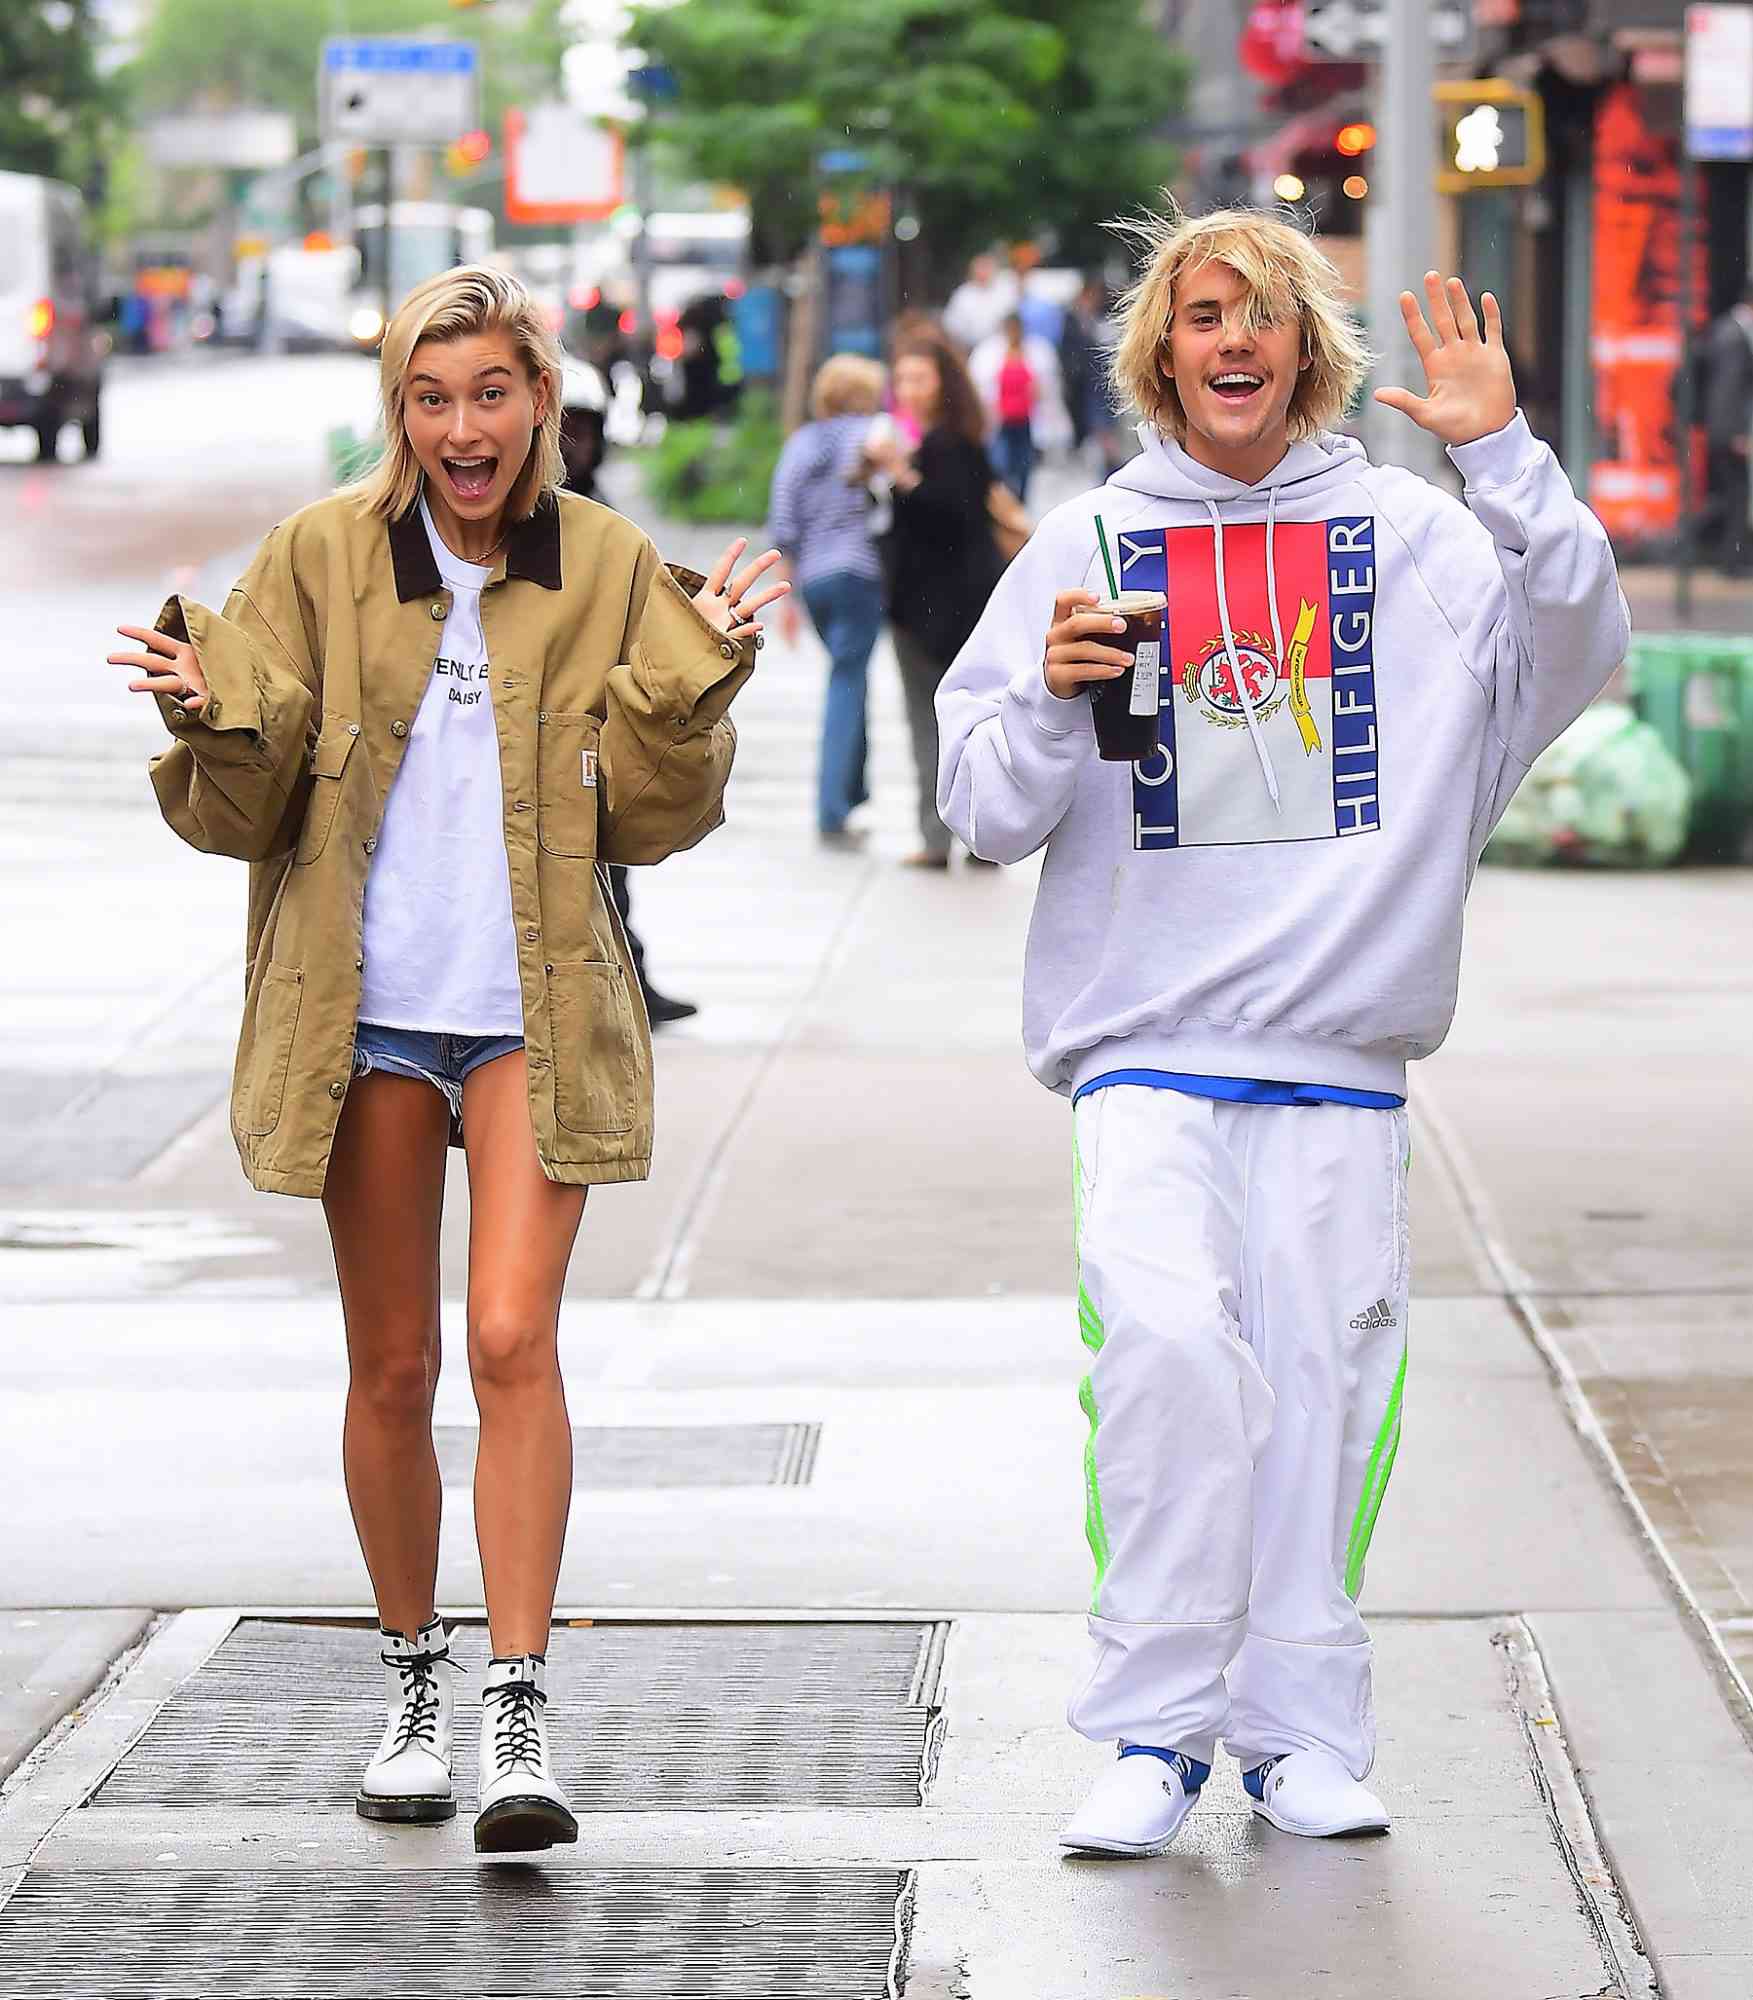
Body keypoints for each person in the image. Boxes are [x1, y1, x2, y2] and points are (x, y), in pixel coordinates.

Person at [937, 205, 1628, 1856]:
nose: (1226, 338)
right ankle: (1151, 1732)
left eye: (1255, 314)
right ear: (1160, 354)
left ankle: (1298, 1730)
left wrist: (1507, 457)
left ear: (1304, 349)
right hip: (1143, 1043)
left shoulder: (1415, 542)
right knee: (1168, 1353)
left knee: (1318, 1381)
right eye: (1196, 315)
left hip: (1336, 1054)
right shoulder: (1085, 545)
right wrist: (1042, 694)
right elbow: (978, 804)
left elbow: (1577, 635)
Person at [110, 266, 786, 1853]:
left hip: (533, 1006)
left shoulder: (609, 560)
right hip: (366, 1016)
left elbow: (651, 818)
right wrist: (213, 713)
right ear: (399, 412)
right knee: (397, 1364)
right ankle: (411, 1681)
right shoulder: (323, 555)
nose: (462, 427)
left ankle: (517, 1705)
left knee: (508, 1341)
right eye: (433, 397)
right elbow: (245, 807)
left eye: (491, 393)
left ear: (540, 401)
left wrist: (688, 691)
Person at [558, 356, 698, 1025]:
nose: (574, 443)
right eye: (564, 428)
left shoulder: (605, 522)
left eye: (584, 428)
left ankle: (627, 975)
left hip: (595, 718)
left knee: (611, 866)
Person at [867, 334, 1003, 870]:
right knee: (941, 724)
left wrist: (901, 475)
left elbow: (955, 516)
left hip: (944, 610)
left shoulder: (950, 445)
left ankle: (951, 834)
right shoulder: (926, 442)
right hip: (926, 608)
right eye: (901, 380)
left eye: (919, 378)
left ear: (945, 383)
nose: (908, 390)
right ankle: (949, 834)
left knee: (944, 723)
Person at [766, 353, 889, 845]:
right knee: (848, 681)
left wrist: (787, 598)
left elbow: (783, 519)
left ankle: (851, 792)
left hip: (815, 581)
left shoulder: (802, 444)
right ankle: (832, 807)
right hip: (861, 574)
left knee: (848, 677)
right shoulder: (873, 435)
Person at [1701, 284, 1753, 576]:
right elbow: (1729, 388)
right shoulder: (1735, 336)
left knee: (1729, 492)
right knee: (1735, 494)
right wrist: (1735, 433)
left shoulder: (1723, 331)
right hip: (1728, 430)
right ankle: (1732, 560)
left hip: (1721, 427)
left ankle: (1730, 556)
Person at [943, 252, 1019, 356]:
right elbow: (951, 324)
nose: (983, 272)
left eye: (986, 267)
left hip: (1001, 349)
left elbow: (1012, 319)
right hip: (968, 348)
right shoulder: (962, 294)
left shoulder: (1006, 292)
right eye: (980, 268)